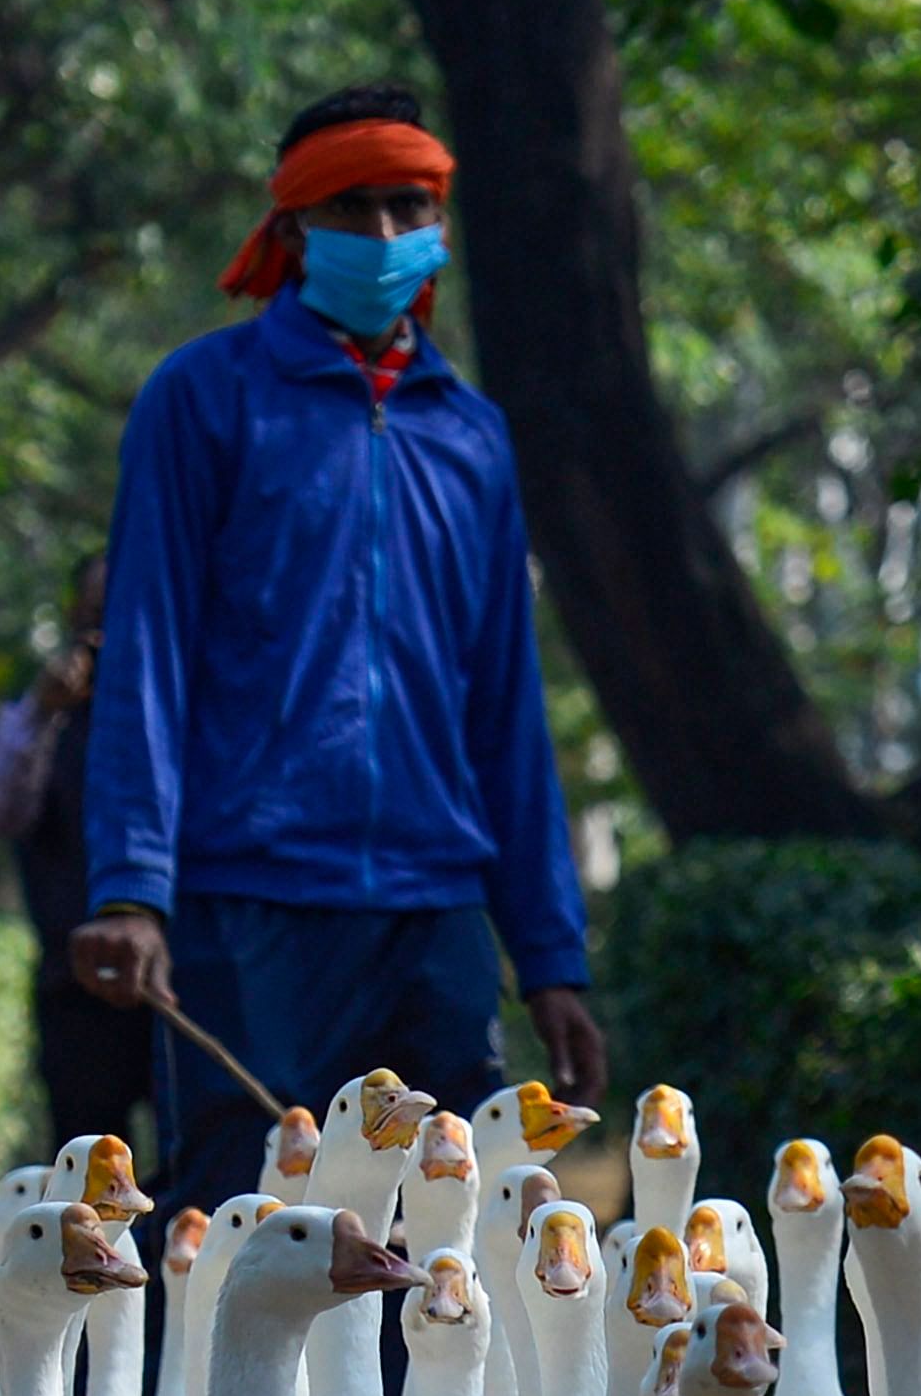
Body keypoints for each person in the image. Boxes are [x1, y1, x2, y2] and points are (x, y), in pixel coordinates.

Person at [68, 83, 604, 1213]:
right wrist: (131, 887)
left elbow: (506, 705)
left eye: (408, 207)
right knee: (237, 1223)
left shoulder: (473, 437)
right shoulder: (200, 401)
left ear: (439, 228)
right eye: (350, 208)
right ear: (291, 229)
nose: (381, 235)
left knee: (436, 1253)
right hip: (244, 901)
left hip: (434, 907)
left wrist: (549, 954)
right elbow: (145, 661)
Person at [0, 554, 153, 1149]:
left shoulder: (172, 708)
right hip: (73, 985)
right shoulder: (44, 718)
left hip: (172, 983)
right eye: (92, 618)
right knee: (86, 1161)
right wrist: (44, 711)